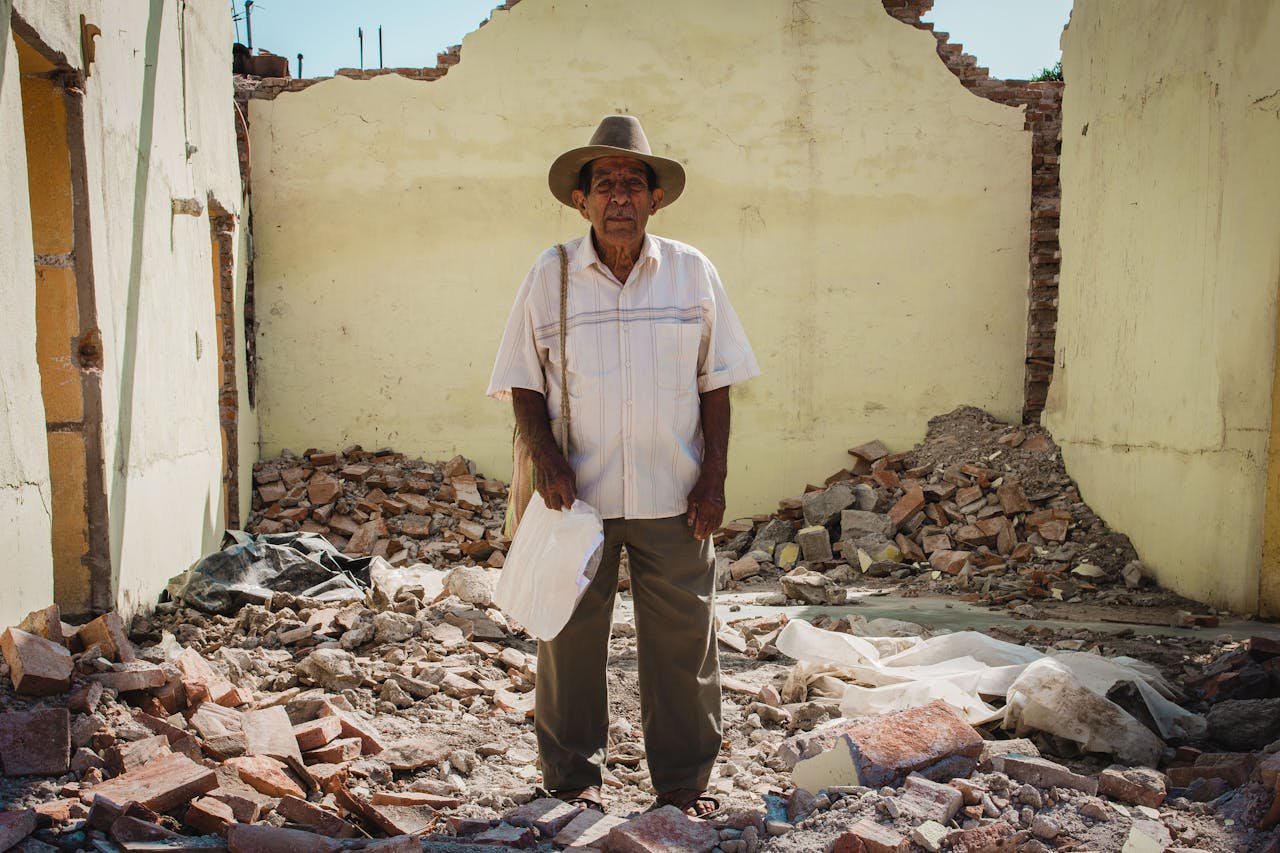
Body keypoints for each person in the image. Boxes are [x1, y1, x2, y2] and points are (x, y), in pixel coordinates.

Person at [487, 115, 760, 815]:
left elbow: (718, 381)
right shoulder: (549, 277)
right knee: (570, 641)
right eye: (604, 183)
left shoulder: (692, 273)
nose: (619, 196)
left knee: (681, 643)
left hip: (675, 495)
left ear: (655, 198)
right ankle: (574, 781)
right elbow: (521, 379)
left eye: (632, 183)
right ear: (581, 200)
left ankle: (681, 785)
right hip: (578, 501)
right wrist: (546, 459)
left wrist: (715, 477)